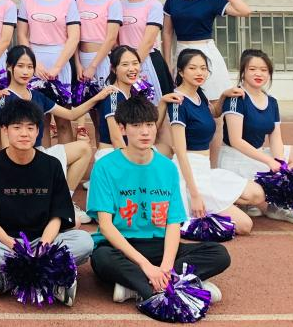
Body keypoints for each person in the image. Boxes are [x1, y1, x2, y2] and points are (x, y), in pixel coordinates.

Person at [87, 96, 231, 306]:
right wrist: (145, 265)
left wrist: (166, 266)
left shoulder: (168, 167)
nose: (145, 132)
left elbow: (173, 223)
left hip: (159, 245)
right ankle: (175, 285)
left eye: (149, 125)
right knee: (101, 258)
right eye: (136, 126)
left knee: (219, 254)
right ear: (122, 128)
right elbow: (106, 226)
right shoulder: (104, 167)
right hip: (121, 246)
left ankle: (142, 285)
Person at [0, 97, 95, 305]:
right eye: (17, 127)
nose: (24, 133)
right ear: (5, 130)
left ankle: (9, 275)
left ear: (37, 131)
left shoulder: (51, 166)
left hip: (44, 241)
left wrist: (44, 245)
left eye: (30, 128)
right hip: (5, 242)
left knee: (85, 241)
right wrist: (10, 243)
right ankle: (49, 276)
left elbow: (58, 214)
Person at [0, 45, 106, 217]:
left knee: (84, 148)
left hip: (38, 155)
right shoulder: (5, 97)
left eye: (30, 67)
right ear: (9, 66)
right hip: (18, 160)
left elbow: (71, 114)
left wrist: (97, 97)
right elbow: (5, 142)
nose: (25, 71)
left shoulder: (37, 96)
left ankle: (64, 202)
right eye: (20, 66)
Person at [167, 48, 266, 235]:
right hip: (188, 173)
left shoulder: (199, 95)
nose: (199, 73)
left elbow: (212, 113)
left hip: (205, 169)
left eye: (203, 68)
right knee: (245, 226)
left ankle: (212, 208)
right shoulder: (177, 102)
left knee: (257, 194)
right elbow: (180, 152)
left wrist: (224, 96)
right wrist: (195, 195)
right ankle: (192, 217)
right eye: (193, 68)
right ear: (181, 72)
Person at [219, 49, 293, 226]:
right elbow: (236, 141)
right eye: (253, 69)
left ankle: (278, 206)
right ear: (243, 72)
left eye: (264, 70)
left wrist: (281, 166)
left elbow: (275, 138)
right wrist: (269, 162)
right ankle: (243, 202)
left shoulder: (272, 102)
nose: (258, 74)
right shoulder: (236, 98)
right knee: (254, 194)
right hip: (235, 158)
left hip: (257, 154)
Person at [162, 0, 252, 100]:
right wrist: (167, 62)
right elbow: (167, 33)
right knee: (183, 99)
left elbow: (245, 11)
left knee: (214, 100)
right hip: (182, 53)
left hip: (206, 53)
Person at [93, 45, 173, 160]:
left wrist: (163, 102)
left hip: (129, 149)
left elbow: (151, 127)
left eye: (135, 63)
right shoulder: (113, 95)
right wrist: (130, 165)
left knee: (166, 150)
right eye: (125, 64)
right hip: (112, 153)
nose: (132, 69)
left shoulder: (132, 94)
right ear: (114, 69)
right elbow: (116, 139)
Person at [16, 0, 80, 87]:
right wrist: (33, 63)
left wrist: (57, 67)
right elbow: (21, 34)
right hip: (32, 61)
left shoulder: (68, 2)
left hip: (60, 59)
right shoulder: (26, 1)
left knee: (60, 100)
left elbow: (74, 37)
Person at [119, 0, 172, 102]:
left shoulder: (154, 5)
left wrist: (133, 67)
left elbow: (148, 42)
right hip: (125, 64)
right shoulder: (119, 5)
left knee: (152, 107)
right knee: (129, 108)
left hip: (147, 62)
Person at [75, 0, 122, 85]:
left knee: (105, 95)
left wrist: (93, 66)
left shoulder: (113, 2)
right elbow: (74, 36)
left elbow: (111, 38)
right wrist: (77, 64)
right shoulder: (79, 1)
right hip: (81, 60)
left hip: (102, 60)